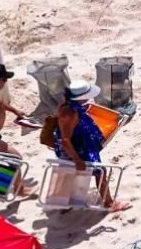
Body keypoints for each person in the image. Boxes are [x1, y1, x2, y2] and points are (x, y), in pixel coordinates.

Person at [54, 82, 130, 211]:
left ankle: (65, 202)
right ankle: (109, 203)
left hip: (79, 143)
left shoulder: (69, 105)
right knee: (100, 172)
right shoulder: (70, 113)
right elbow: (65, 140)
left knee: (73, 172)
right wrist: (77, 160)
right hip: (77, 148)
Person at [0, 64, 30, 195]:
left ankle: (18, 188)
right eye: (3, 80)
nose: (5, 83)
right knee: (14, 158)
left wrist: (15, 110)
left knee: (13, 159)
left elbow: (0, 104)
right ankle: (19, 189)